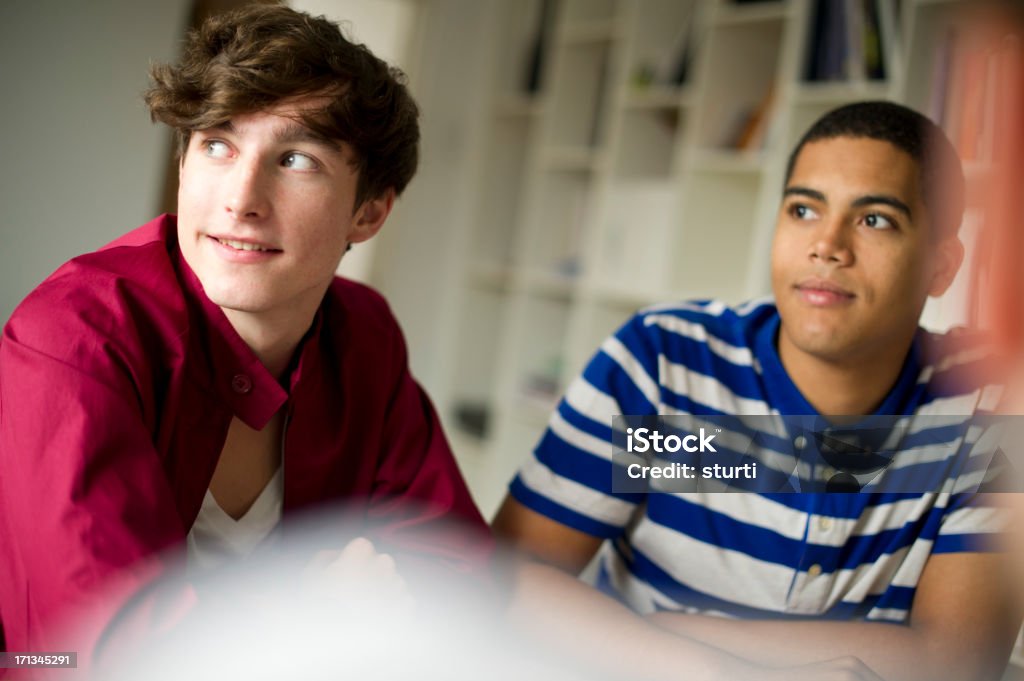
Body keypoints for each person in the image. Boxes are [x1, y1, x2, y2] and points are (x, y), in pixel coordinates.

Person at [0, 5, 489, 672]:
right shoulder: (73, 338)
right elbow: (96, 649)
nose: (240, 197)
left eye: (294, 158)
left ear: (369, 211)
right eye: (217, 145)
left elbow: (454, 576)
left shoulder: (365, 337)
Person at [494, 101, 1021, 680]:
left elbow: (959, 663)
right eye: (802, 210)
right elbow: (507, 577)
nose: (828, 245)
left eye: (874, 220)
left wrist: (671, 628)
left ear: (941, 266)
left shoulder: (988, 404)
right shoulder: (665, 362)